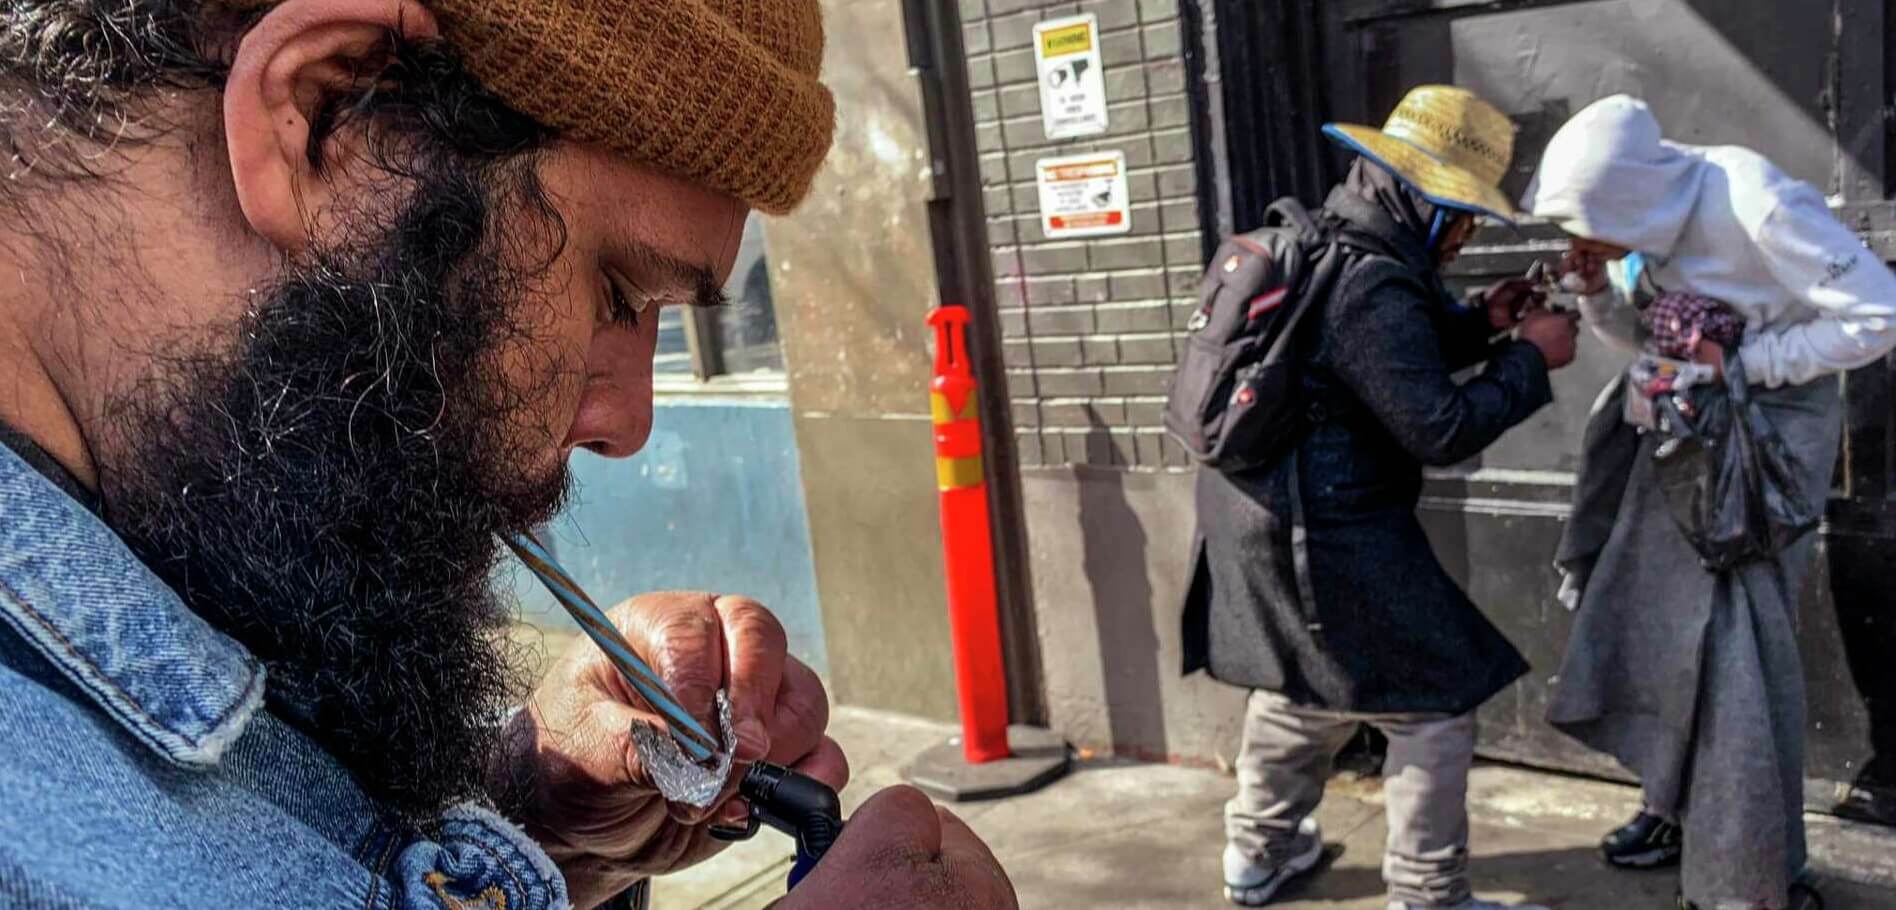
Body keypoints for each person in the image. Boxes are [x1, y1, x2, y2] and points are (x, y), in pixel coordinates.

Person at [0, 1, 1016, 908]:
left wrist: (537, 836)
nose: (627, 424)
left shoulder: (183, 524)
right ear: (326, 115)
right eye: (619, 294)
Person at [1181, 85, 1580, 910]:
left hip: (1253, 514)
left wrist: (1479, 323)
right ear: (1422, 199)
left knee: (1303, 687)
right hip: (1324, 531)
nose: (1467, 232)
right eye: (1462, 215)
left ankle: (1258, 855)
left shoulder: (1330, 244)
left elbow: (1363, 367)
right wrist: (1530, 359)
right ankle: (1428, 894)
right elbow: (1439, 426)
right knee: (1430, 704)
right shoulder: (1375, 281)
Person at [1526, 94, 1896, 910]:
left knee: (1738, 646)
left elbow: (1879, 314)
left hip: (1766, 441)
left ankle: (1748, 861)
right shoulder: (1642, 214)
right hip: (1680, 422)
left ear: (1630, 198)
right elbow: (1649, 338)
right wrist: (1596, 294)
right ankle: (1678, 804)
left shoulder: (1753, 198)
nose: (1585, 243)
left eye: (1594, 230)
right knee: (1660, 623)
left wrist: (1747, 365)